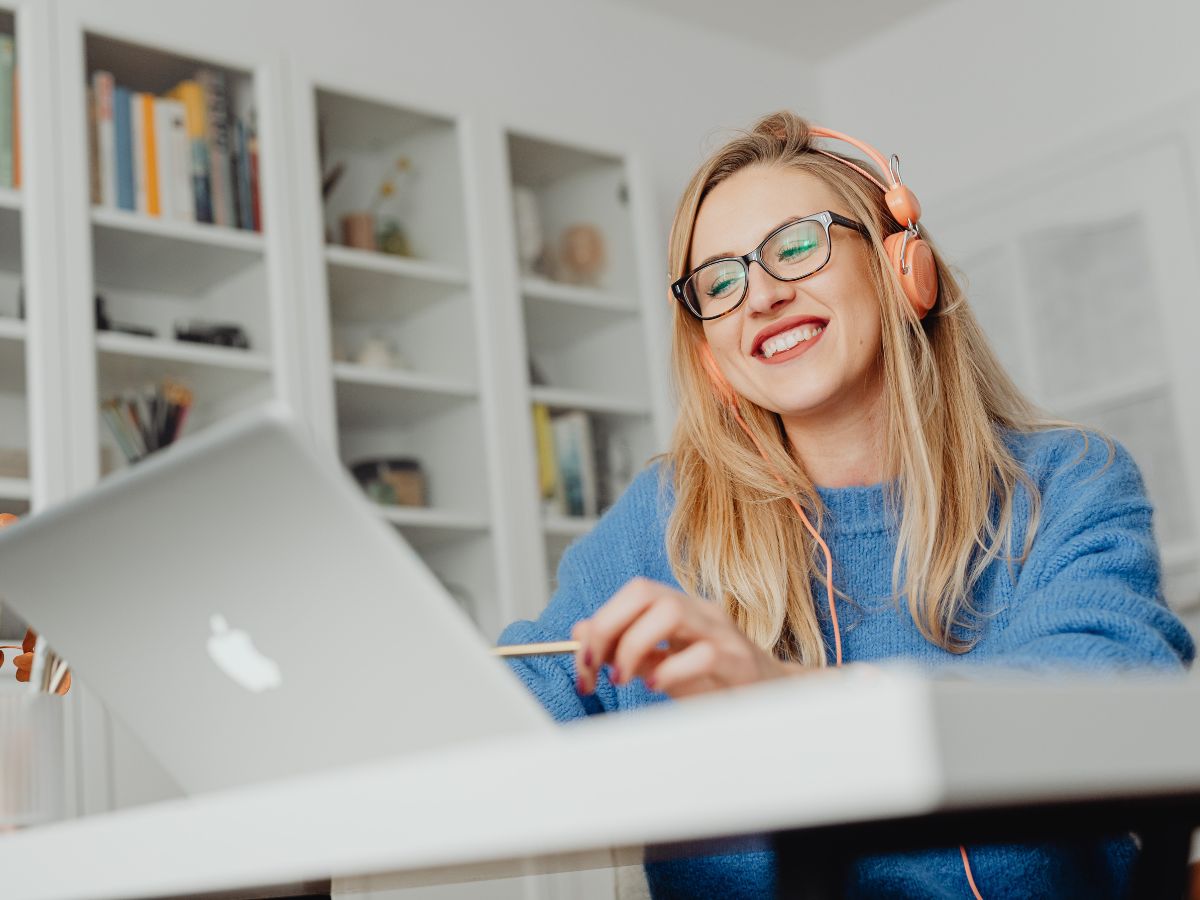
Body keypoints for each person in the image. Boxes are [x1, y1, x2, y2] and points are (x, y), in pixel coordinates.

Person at [496, 110, 1195, 899]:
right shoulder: (663, 522)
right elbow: (507, 718)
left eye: (797, 244)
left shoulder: (1069, 484)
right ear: (713, 356)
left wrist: (789, 699)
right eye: (719, 282)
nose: (760, 294)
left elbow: (1108, 695)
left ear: (904, 268)